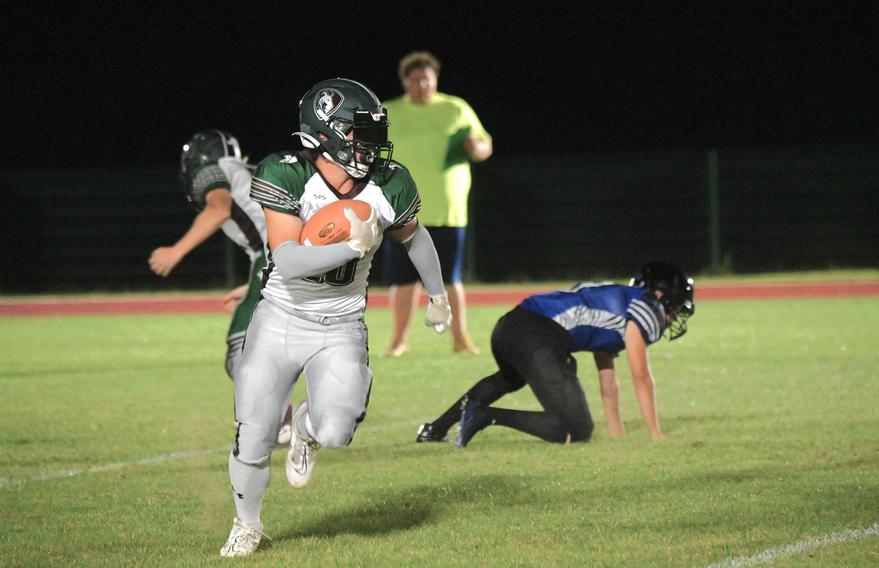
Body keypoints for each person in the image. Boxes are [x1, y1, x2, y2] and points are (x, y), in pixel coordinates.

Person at [219, 78, 452, 557]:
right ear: (324, 133)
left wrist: (437, 294)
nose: (367, 145)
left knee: (336, 432)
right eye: (356, 133)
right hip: (281, 318)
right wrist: (353, 244)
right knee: (255, 433)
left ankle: (305, 428)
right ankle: (247, 525)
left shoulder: (390, 181)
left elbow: (414, 237)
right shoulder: (285, 172)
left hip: (342, 325)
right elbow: (286, 259)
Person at [415, 262, 695, 447]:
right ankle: (483, 416)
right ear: (660, 296)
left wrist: (616, 433)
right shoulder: (646, 307)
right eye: (676, 305)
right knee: (577, 429)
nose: (674, 315)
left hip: (510, 327)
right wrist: (656, 435)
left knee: (509, 379)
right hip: (537, 335)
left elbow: (609, 383)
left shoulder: (617, 300)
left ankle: (436, 429)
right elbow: (641, 376)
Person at [148, 131, 295, 443]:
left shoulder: (213, 170)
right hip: (293, 251)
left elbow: (219, 208)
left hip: (278, 254)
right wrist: (252, 285)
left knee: (241, 348)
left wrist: (176, 251)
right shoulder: (244, 172)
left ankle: (282, 420)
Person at [381, 50, 493, 356]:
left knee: (450, 278)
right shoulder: (388, 112)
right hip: (403, 209)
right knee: (404, 280)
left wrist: (477, 147)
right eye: (415, 80)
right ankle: (398, 341)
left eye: (426, 79)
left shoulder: (456, 108)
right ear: (405, 81)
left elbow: (485, 146)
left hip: (448, 209)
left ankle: (460, 339)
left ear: (435, 80)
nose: (422, 85)